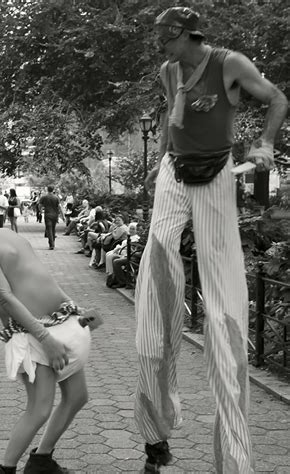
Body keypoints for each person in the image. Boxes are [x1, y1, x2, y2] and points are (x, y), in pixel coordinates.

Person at [134, 7, 288, 474]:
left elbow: (278, 98)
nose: (159, 45)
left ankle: (235, 458)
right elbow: (170, 122)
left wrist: (264, 143)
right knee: (154, 272)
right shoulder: (168, 70)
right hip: (175, 172)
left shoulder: (230, 63)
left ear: (182, 34)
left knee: (224, 308)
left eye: (164, 37)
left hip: (218, 173)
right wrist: (156, 164)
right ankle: (155, 431)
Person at [0, 184, 96, 474]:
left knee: (77, 396)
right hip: (33, 335)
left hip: (59, 323)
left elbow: (39, 274)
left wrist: (72, 306)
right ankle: (7, 468)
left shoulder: (4, 233)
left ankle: (41, 460)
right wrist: (44, 337)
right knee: (39, 407)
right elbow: (4, 297)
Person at [39, 185, 63, 250]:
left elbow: (40, 205)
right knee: (53, 229)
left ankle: (51, 244)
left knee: (49, 229)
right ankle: (53, 242)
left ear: (47, 189)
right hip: (55, 215)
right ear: (53, 190)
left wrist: (41, 211)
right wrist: (62, 216)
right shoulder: (56, 197)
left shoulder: (44, 197)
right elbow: (59, 207)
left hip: (47, 214)